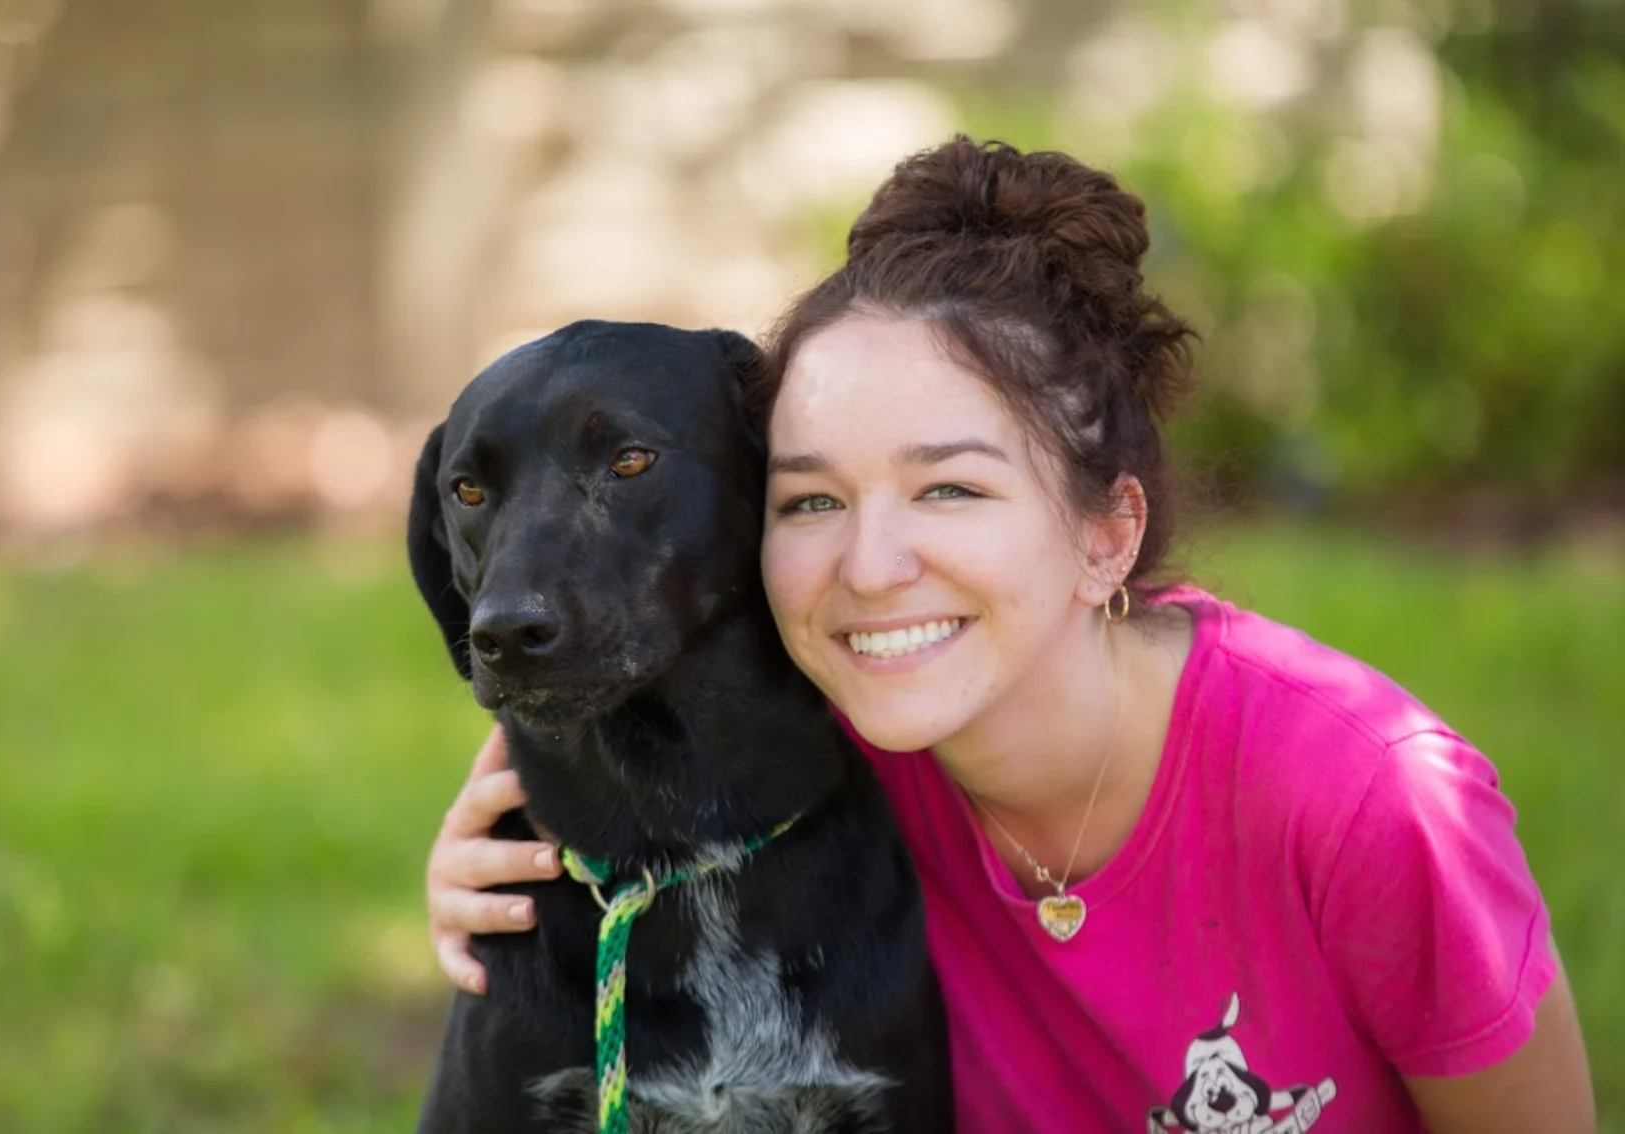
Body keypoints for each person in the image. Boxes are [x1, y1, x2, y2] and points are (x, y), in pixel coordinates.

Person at [421, 137, 1594, 1131]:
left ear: (1105, 532)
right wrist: (472, 873)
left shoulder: (1373, 802)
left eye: (951, 492)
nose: (871, 570)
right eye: (813, 501)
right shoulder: (822, 759)